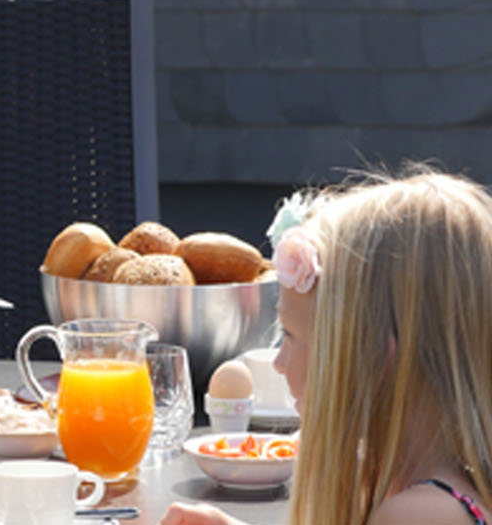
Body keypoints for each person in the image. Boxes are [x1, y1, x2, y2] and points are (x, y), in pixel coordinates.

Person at [161, 169, 491, 525]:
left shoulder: (417, 516)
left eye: (289, 335)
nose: (279, 362)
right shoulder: (409, 490)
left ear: (371, 358)